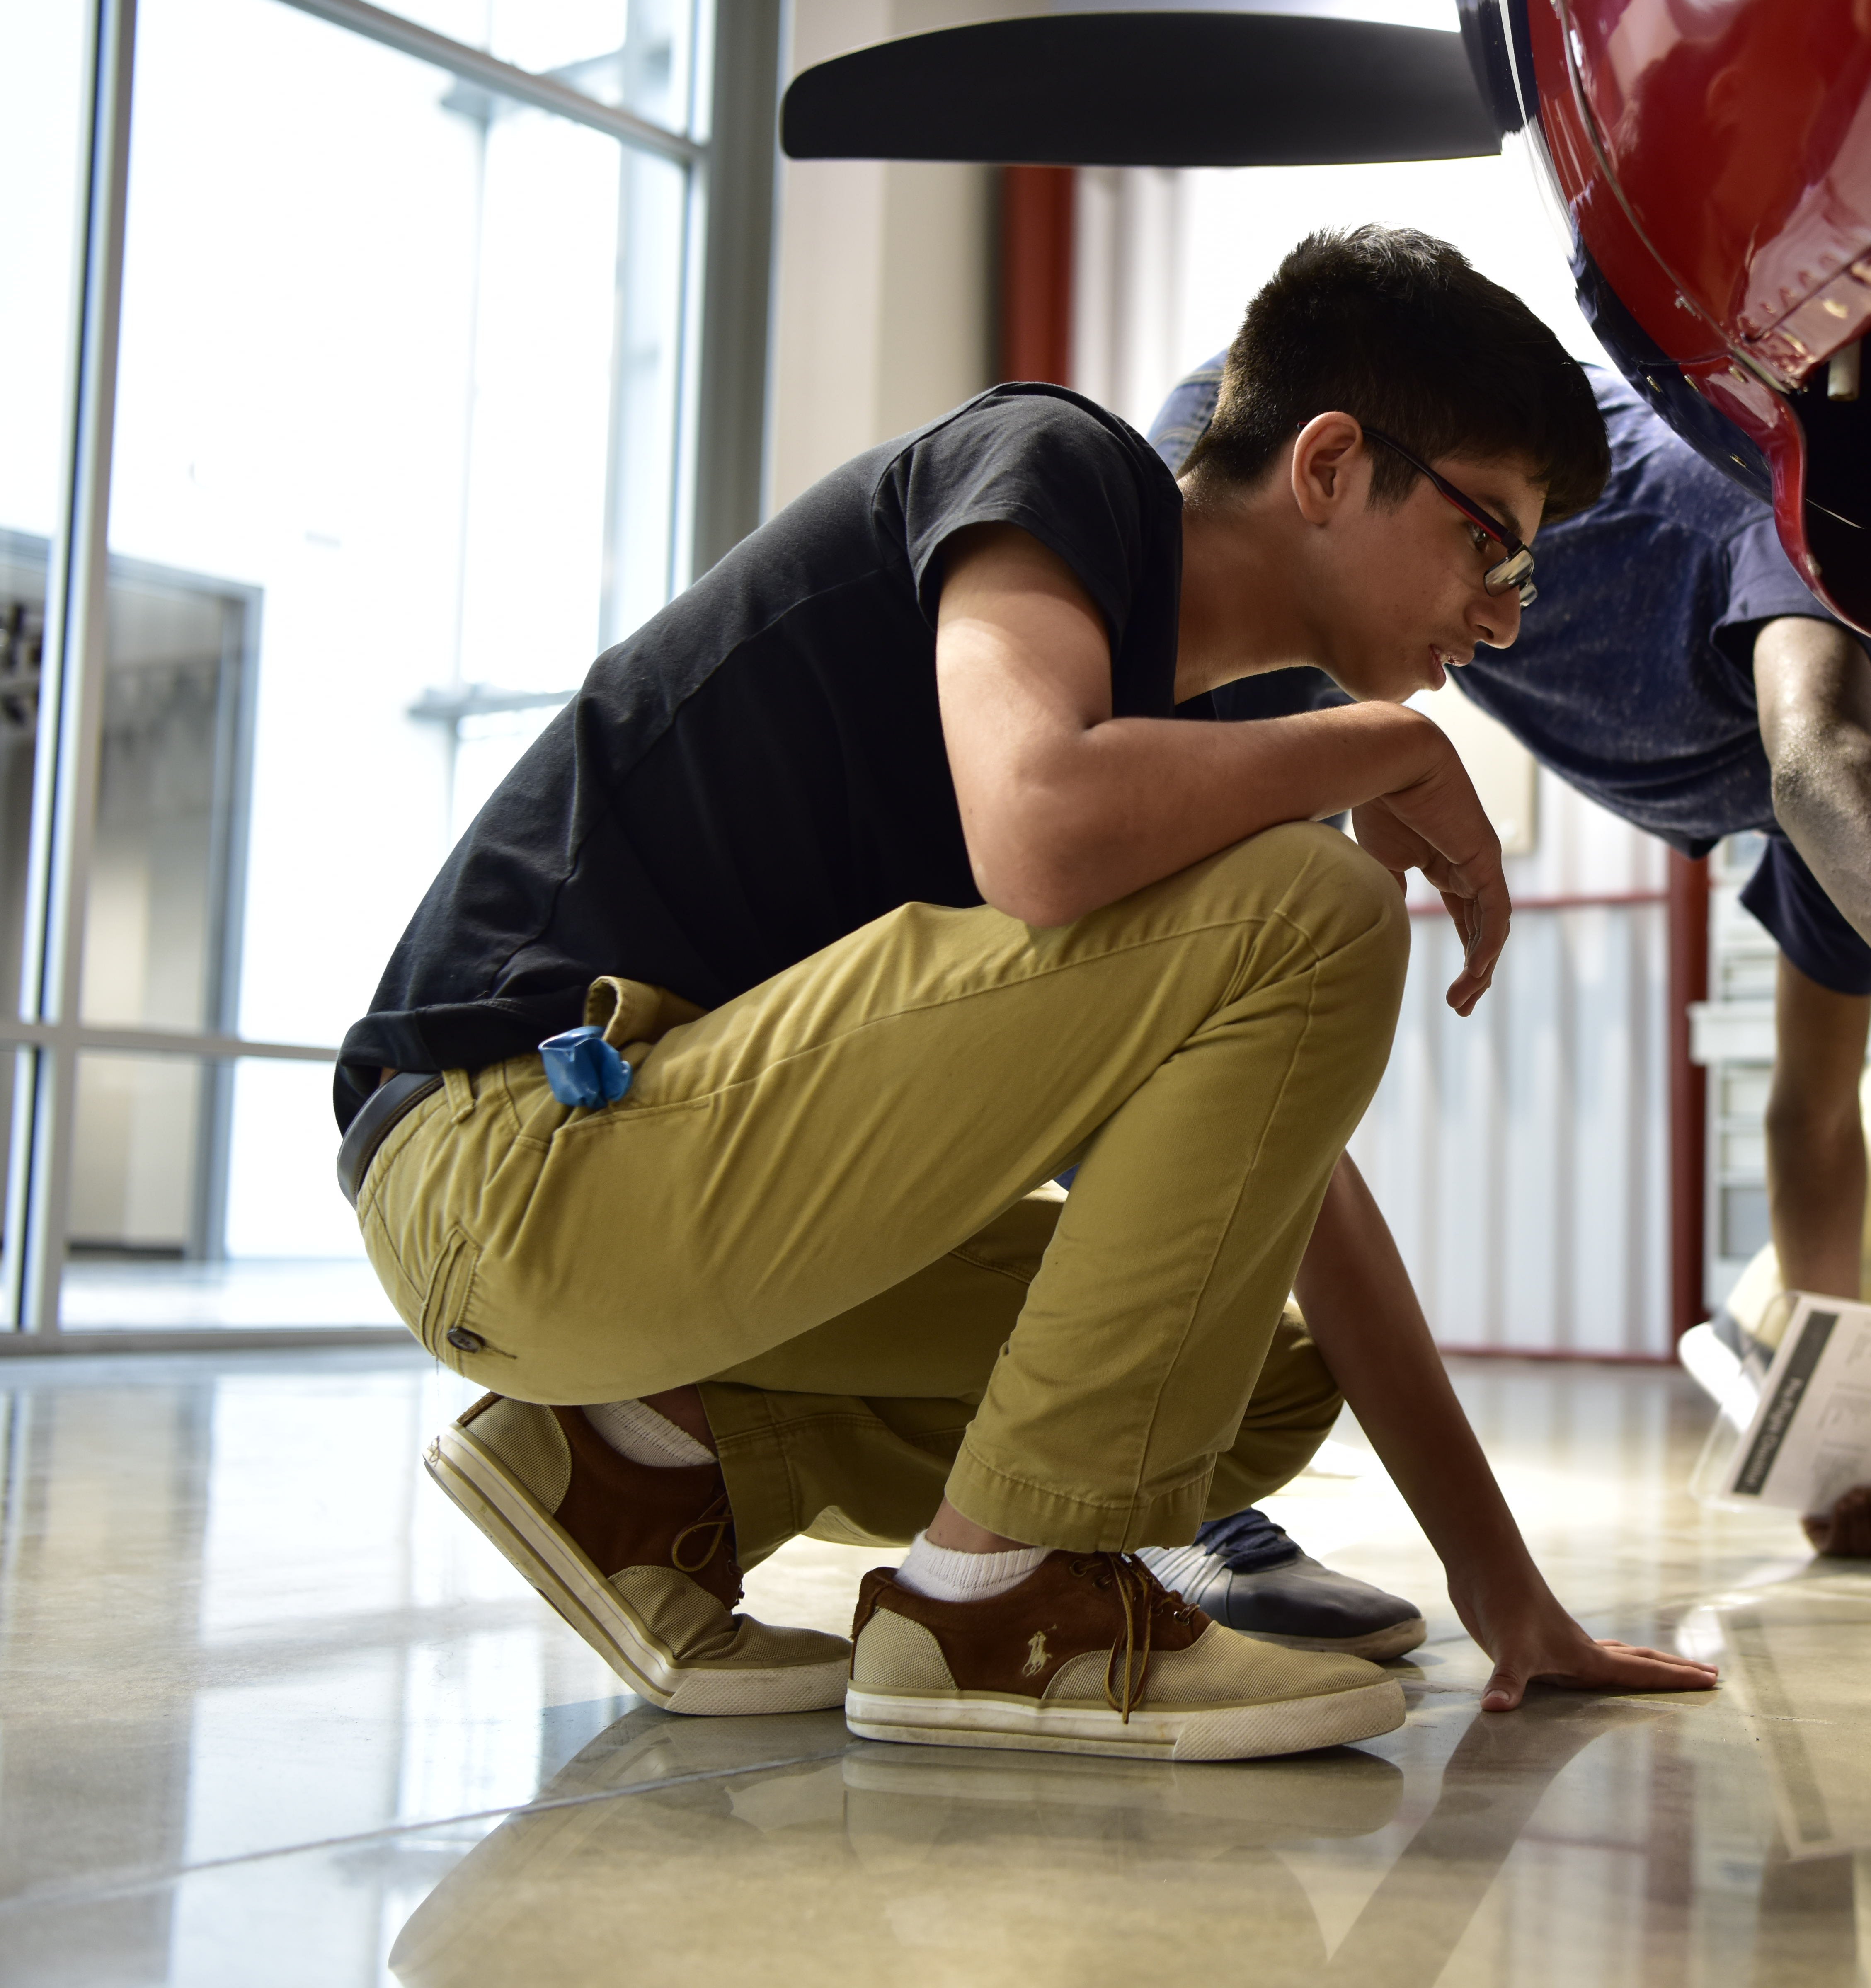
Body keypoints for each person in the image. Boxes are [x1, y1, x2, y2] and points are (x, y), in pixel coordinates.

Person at [336, 226, 1716, 1763]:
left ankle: (644, 1473)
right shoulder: (1058, 468)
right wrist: (1387, 748)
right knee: (1317, 904)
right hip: (509, 1155)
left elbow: (1290, 1192)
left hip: (642, 1212)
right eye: (1495, 544)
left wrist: (1504, 1592)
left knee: (1256, 1376)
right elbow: (1041, 823)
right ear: (1328, 465)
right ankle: (998, 1606)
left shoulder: (1211, 758)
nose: (1510, 617)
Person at [1149, 355, 1871, 1557]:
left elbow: (1816, 1122)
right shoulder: (1835, 551)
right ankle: (1149, 1507)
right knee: (1198, 984)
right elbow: (1820, 751)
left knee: (1235, 1032)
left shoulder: (1830, 822)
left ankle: (1160, 1489)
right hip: (1299, 436)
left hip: (1362, 555)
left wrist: (1830, 1440)